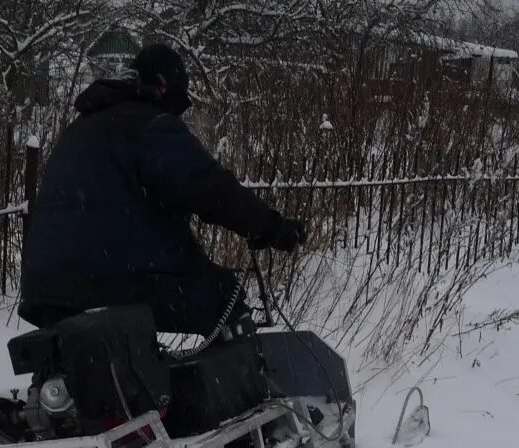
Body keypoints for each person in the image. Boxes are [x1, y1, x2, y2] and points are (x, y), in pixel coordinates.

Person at [18, 44, 305, 336]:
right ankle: (233, 381)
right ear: (163, 89)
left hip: (44, 288)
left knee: (105, 362)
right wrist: (270, 226)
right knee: (225, 301)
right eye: (179, 104)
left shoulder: (81, 127)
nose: (177, 116)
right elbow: (209, 188)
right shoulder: (150, 126)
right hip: (110, 281)